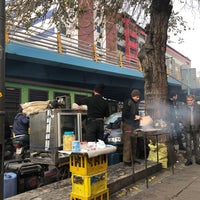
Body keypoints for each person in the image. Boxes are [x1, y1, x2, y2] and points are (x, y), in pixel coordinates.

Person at [122, 89, 142, 166]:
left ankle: (133, 159)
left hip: (134, 125)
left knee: (134, 142)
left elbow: (136, 114)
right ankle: (126, 160)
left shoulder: (136, 103)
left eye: (138, 97)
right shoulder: (128, 102)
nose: (138, 98)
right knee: (128, 142)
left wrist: (138, 123)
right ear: (133, 96)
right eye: (137, 97)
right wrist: (134, 116)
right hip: (127, 125)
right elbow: (125, 114)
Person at [180, 95, 200, 166]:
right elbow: (180, 117)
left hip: (196, 128)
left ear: (193, 100)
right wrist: (184, 124)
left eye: (190, 100)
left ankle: (198, 159)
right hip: (187, 128)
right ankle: (189, 160)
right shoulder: (184, 107)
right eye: (188, 100)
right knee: (188, 145)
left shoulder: (198, 107)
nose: (189, 102)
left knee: (196, 145)